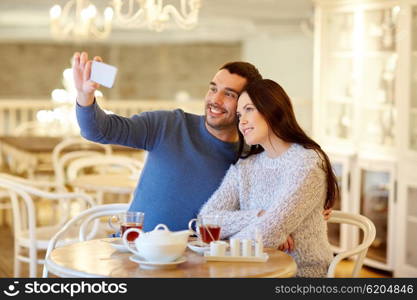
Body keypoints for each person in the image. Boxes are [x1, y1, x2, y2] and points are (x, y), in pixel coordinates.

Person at [72, 51, 262, 232]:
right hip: (136, 252)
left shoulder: (249, 159)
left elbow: (256, 214)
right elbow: (98, 130)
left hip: (199, 262)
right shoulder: (168, 124)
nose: (215, 99)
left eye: (229, 94)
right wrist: (85, 95)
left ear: (247, 105)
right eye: (213, 89)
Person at [199, 79, 339, 277]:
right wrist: (258, 216)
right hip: (249, 270)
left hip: (298, 274)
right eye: (239, 115)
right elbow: (205, 221)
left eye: (249, 109)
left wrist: (223, 243)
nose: (242, 121)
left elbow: (267, 233)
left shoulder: (305, 162)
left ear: (272, 109)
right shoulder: (246, 166)